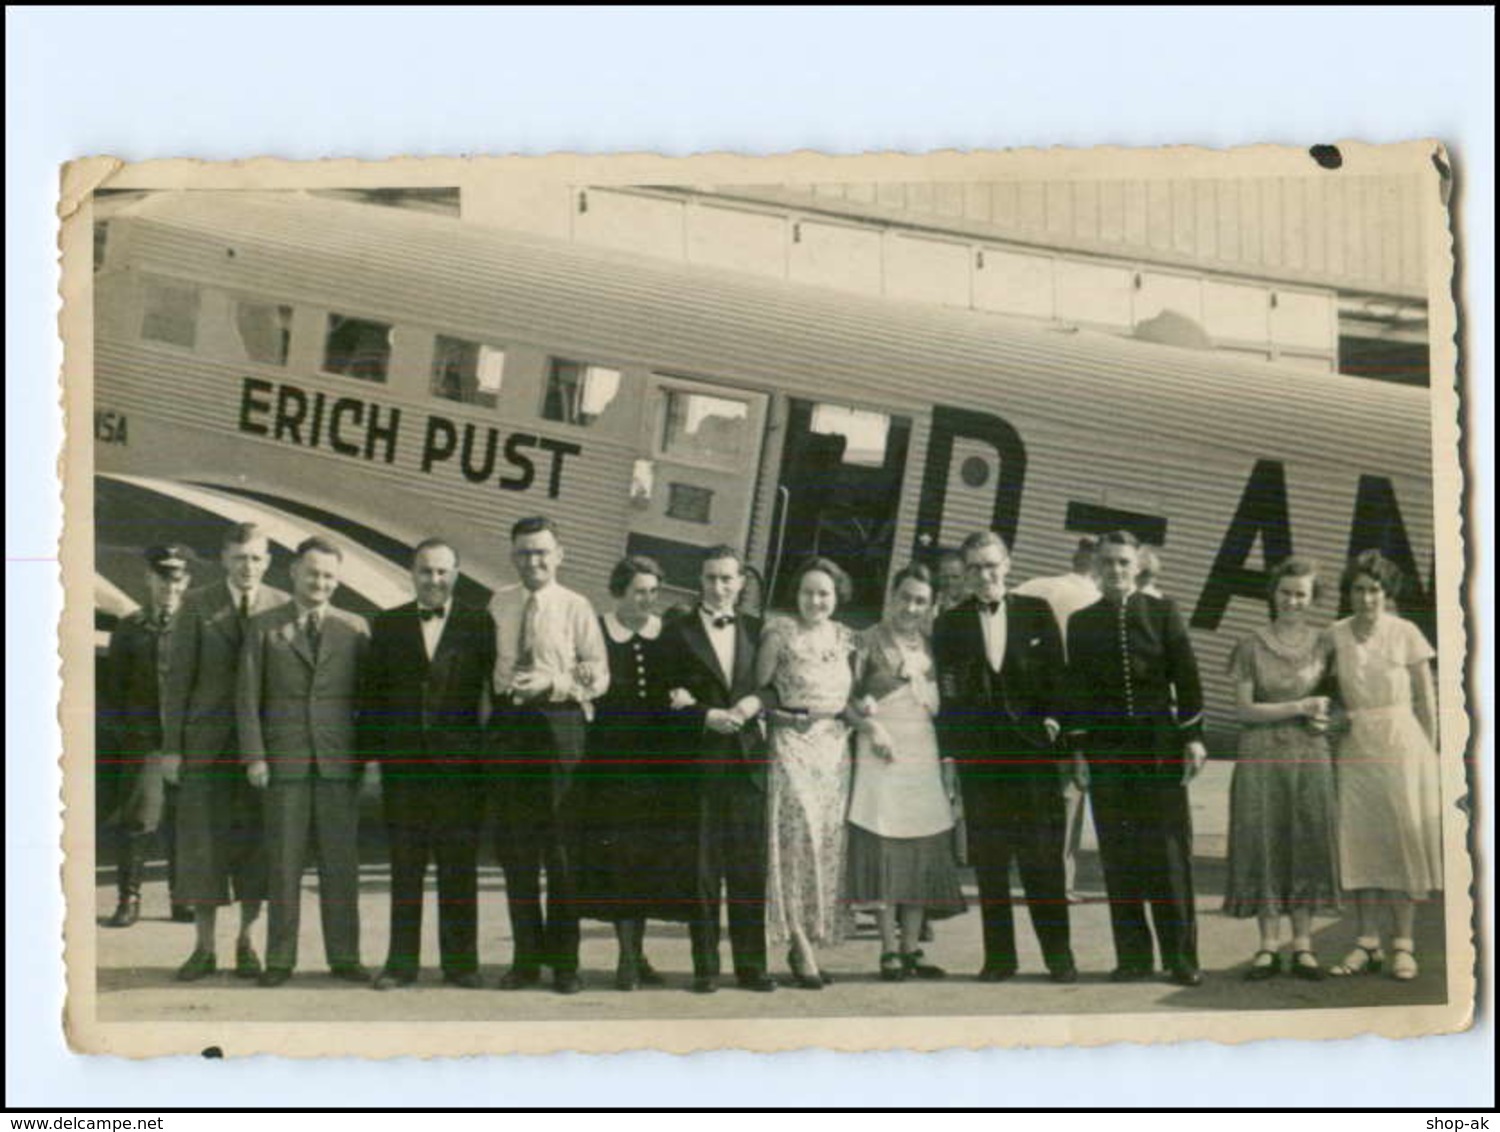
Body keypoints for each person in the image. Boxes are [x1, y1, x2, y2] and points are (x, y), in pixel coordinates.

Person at [1065, 530, 1207, 987]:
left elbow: (1186, 677)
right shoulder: (1083, 622)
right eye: (1107, 563)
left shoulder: (1163, 612)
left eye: (1124, 562)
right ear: (1097, 567)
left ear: (1138, 565)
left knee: (1168, 854)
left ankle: (1181, 958)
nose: (1116, 571)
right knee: (1119, 855)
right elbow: (1078, 693)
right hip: (1107, 750)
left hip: (1157, 747)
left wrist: (1193, 737)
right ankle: (1133, 957)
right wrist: (1080, 751)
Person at [934, 532, 1076, 983]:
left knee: (1043, 860)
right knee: (990, 862)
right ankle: (1000, 958)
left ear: (1008, 564)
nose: (985, 575)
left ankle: (1059, 957)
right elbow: (950, 694)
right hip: (981, 759)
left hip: (1032, 755)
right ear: (965, 574)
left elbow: (1059, 676)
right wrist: (953, 758)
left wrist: (1054, 723)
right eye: (974, 568)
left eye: (991, 565)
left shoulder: (1036, 613)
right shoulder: (950, 624)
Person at [238, 536, 375, 987]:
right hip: (284, 764)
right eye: (313, 573)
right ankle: (280, 959)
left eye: (329, 576)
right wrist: (255, 756)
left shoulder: (354, 628)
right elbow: (247, 698)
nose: (320, 582)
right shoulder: (263, 627)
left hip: (338, 765)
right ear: (294, 572)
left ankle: (345, 956)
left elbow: (367, 701)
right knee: (283, 864)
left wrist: (366, 759)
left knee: (342, 866)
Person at [363, 538, 495, 991]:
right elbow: (373, 698)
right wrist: (374, 759)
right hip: (405, 769)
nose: (434, 580)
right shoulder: (389, 624)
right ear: (412, 573)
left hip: (460, 770)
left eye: (442, 571)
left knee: (458, 866)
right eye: (425, 571)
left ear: (456, 574)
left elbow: (490, 696)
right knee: (405, 867)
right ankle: (401, 964)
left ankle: (461, 963)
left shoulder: (479, 625)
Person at [488, 516, 608, 995]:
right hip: (511, 729)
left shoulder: (577, 607)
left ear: (560, 555)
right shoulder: (499, 603)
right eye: (523, 553)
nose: (532, 562)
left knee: (561, 854)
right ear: (512, 556)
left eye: (541, 552)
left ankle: (565, 964)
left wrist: (554, 683)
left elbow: (599, 676)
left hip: (560, 729)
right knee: (517, 852)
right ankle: (524, 961)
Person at [162, 522, 286, 982]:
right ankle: (203, 948)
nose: (247, 566)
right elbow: (176, 684)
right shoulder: (197, 605)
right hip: (207, 748)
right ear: (224, 559)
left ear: (269, 562)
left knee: (256, 850)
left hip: (261, 752)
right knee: (203, 849)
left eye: (256, 558)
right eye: (239, 558)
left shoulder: (280, 606)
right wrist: (172, 748)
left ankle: (247, 943)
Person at [574, 556, 698, 990]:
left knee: (646, 861)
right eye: (639, 591)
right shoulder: (597, 629)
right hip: (609, 763)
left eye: (653, 591)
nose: (648, 599)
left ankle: (637, 953)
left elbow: (682, 687)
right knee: (617, 860)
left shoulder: (666, 633)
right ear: (619, 590)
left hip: (655, 766)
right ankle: (626, 957)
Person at [660, 545, 778, 994]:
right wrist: (704, 715)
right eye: (711, 578)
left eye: (727, 579)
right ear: (700, 580)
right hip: (702, 761)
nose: (719, 587)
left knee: (749, 870)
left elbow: (772, 687)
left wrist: (752, 704)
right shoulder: (678, 631)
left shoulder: (757, 629)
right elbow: (665, 694)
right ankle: (705, 968)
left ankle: (752, 967)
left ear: (741, 582)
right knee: (702, 869)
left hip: (748, 763)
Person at [1222, 557, 1341, 981]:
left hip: (1310, 753)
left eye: (1301, 594)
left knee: (1306, 838)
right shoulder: (1250, 644)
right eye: (1286, 592)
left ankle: (1304, 946)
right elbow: (1244, 710)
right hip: (1260, 754)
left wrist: (1327, 718)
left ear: (1312, 599)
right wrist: (1298, 706)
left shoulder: (1326, 644)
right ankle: (1268, 946)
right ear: (1273, 594)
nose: (1292, 601)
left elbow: (1338, 703)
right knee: (1264, 840)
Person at [847, 563, 966, 981]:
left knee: (918, 850)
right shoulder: (865, 642)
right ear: (891, 596)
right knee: (886, 849)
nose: (911, 607)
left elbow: (945, 707)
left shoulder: (934, 648)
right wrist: (869, 726)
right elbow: (842, 699)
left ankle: (912, 948)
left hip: (922, 757)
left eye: (920, 600)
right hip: (881, 756)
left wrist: (949, 763)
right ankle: (887, 950)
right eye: (905, 597)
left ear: (931, 605)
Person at [1326, 551, 1442, 982]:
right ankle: (1366, 942)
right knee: (1360, 842)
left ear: (1386, 593)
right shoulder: (1334, 634)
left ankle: (1403, 945)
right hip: (1356, 745)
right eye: (1358, 589)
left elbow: (1426, 700)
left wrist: (1431, 755)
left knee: (1401, 841)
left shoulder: (1406, 632)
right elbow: (1324, 689)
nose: (1366, 597)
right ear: (1349, 593)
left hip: (1401, 744)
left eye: (1374, 589)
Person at [758, 556, 858, 989]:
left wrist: (862, 715)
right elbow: (758, 689)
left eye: (824, 593)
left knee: (826, 844)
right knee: (795, 842)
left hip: (834, 750)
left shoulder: (845, 637)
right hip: (792, 743)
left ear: (837, 597)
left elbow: (851, 696)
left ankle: (813, 936)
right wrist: (782, 717)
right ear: (795, 594)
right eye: (807, 591)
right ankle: (799, 944)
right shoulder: (779, 632)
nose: (815, 600)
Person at [99, 544, 191, 928]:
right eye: (162, 577)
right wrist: (129, 737)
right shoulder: (130, 628)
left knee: (186, 820)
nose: (170, 585)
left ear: (186, 582)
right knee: (140, 819)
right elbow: (113, 688)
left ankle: (182, 898)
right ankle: (129, 898)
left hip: (187, 742)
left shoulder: (196, 626)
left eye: (177, 578)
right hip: (145, 741)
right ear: (149, 579)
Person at [1014, 535, 1102, 904]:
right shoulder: (1096, 601)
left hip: (1030, 708)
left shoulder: (1033, 586)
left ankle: (1030, 875)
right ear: (1098, 566)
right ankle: (1059, 883)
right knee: (1069, 796)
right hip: (1073, 708)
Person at [933, 549, 969, 617]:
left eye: (955, 577)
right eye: (944, 577)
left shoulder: (974, 609)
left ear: (965, 578)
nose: (949, 582)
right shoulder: (930, 604)